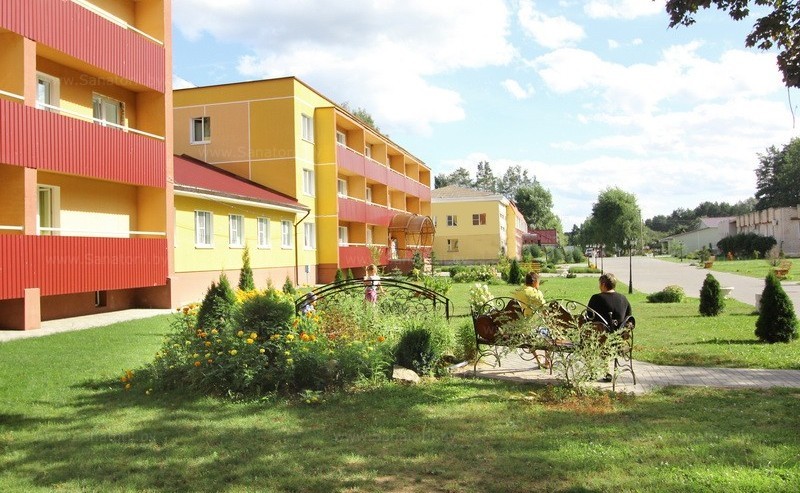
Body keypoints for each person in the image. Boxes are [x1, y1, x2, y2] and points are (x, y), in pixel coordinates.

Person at [587, 273, 632, 382]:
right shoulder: (623, 299)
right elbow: (629, 319)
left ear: (603, 284)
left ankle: (592, 371)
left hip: (600, 340)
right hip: (619, 340)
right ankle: (606, 371)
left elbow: (589, 317)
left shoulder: (596, 298)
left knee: (588, 339)